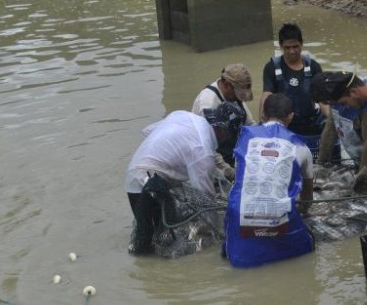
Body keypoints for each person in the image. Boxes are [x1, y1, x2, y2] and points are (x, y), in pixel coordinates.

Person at [125, 103, 246, 255]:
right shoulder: (202, 152)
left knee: (155, 243)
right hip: (147, 187)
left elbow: (148, 131)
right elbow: (204, 199)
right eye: (231, 134)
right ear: (222, 130)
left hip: (134, 171)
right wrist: (217, 234)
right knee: (155, 247)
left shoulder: (185, 116)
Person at [223, 93, 315, 268]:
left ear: (263, 115)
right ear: (291, 116)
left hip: (240, 215)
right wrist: (305, 209)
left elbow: (239, 178)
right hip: (279, 219)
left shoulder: (244, 139)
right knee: (307, 248)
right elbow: (307, 193)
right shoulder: (301, 146)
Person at [260, 23, 327, 155]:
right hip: (283, 126)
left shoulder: (313, 67)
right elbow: (266, 95)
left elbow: (323, 100)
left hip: (308, 124)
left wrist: (333, 119)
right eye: (287, 47)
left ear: (302, 44)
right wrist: (263, 122)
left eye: (295, 46)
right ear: (280, 46)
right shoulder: (271, 68)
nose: (292, 51)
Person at [191, 63, 255, 162]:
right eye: (237, 94)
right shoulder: (208, 103)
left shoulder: (232, 95)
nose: (238, 99)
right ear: (226, 84)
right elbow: (208, 148)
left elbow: (250, 124)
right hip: (214, 156)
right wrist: (228, 172)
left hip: (234, 148)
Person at [316, 103, 367, 173]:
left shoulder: (364, 107)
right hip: (357, 159)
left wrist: (363, 173)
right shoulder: (334, 104)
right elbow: (329, 131)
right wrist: (321, 163)